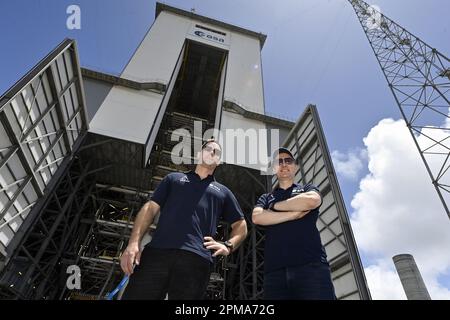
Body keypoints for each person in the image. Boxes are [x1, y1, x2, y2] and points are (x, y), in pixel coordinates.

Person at [120, 138, 247, 299]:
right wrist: (133, 243)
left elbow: (241, 225)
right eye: (208, 148)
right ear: (200, 154)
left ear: (219, 161)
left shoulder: (223, 192)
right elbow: (150, 208)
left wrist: (228, 245)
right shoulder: (173, 179)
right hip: (158, 252)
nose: (212, 152)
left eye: (217, 152)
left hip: (197, 259)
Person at [252, 147, 336, 300]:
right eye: (279, 161)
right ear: (274, 168)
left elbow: (312, 200)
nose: (284, 164)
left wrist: (275, 207)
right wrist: (294, 214)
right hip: (275, 274)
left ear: (295, 167)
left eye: (288, 160)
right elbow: (257, 217)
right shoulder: (266, 197)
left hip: (312, 267)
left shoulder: (306, 189)